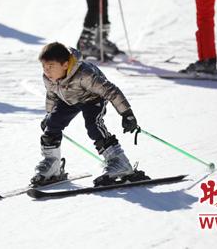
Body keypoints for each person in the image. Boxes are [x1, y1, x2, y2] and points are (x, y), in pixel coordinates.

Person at [33, 42, 141, 187]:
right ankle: (52, 166)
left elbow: (111, 91)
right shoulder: (48, 77)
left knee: (93, 126)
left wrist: (126, 113)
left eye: (50, 67)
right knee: (51, 126)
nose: (46, 71)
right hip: (69, 100)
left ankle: (119, 162)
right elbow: (52, 95)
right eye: (44, 67)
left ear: (65, 65)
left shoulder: (84, 74)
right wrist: (49, 115)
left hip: (93, 98)